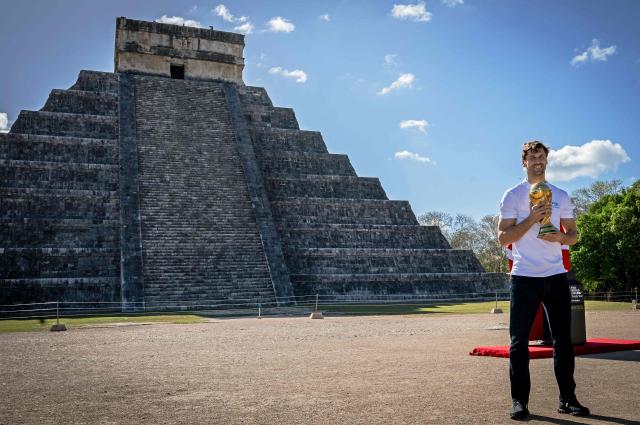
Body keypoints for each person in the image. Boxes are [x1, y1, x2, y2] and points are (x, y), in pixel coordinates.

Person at [498, 141, 590, 420]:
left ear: (546, 161)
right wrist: (531, 219)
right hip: (525, 276)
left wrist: (561, 237)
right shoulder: (513, 195)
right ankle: (520, 401)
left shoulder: (561, 195)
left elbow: (574, 235)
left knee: (563, 340)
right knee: (518, 342)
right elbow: (503, 238)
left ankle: (567, 399)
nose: (538, 160)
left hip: (555, 276)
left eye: (542, 156)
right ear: (523, 162)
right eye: (532, 157)